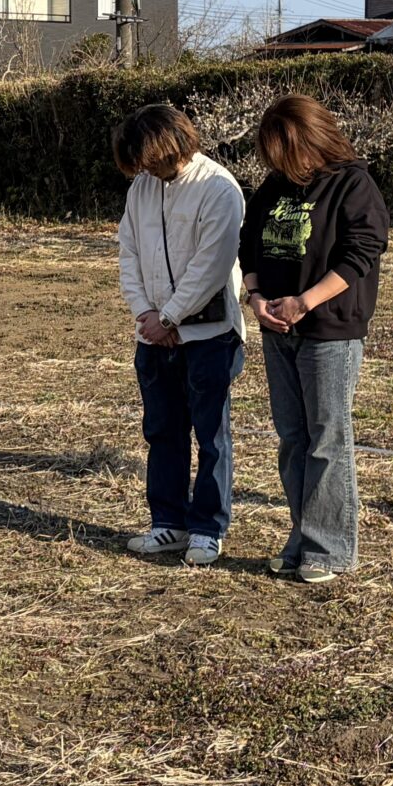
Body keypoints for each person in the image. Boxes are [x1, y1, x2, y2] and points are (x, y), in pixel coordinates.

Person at [239, 95, 389, 584]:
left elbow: (361, 253)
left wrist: (306, 301)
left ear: (314, 139)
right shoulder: (275, 185)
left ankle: (330, 547)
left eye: (289, 153)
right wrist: (257, 296)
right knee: (293, 438)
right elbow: (249, 243)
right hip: (277, 326)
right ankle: (304, 534)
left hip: (329, 328)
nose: (283, 165)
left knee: (327, 436)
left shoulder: (353, 183)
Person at [114, 103, 248, 567]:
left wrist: (168, 316)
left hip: (211, 333)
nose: (148, 170)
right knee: (162, 431)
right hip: (154, 333)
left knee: (211, 435)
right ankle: (166, 521)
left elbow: (212, 266)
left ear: (175, 144)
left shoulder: (218, 188)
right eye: (141, 164)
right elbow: (127, 251)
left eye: (153, 159)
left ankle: (208, 528)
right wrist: (147, 313)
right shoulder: (141, 188)